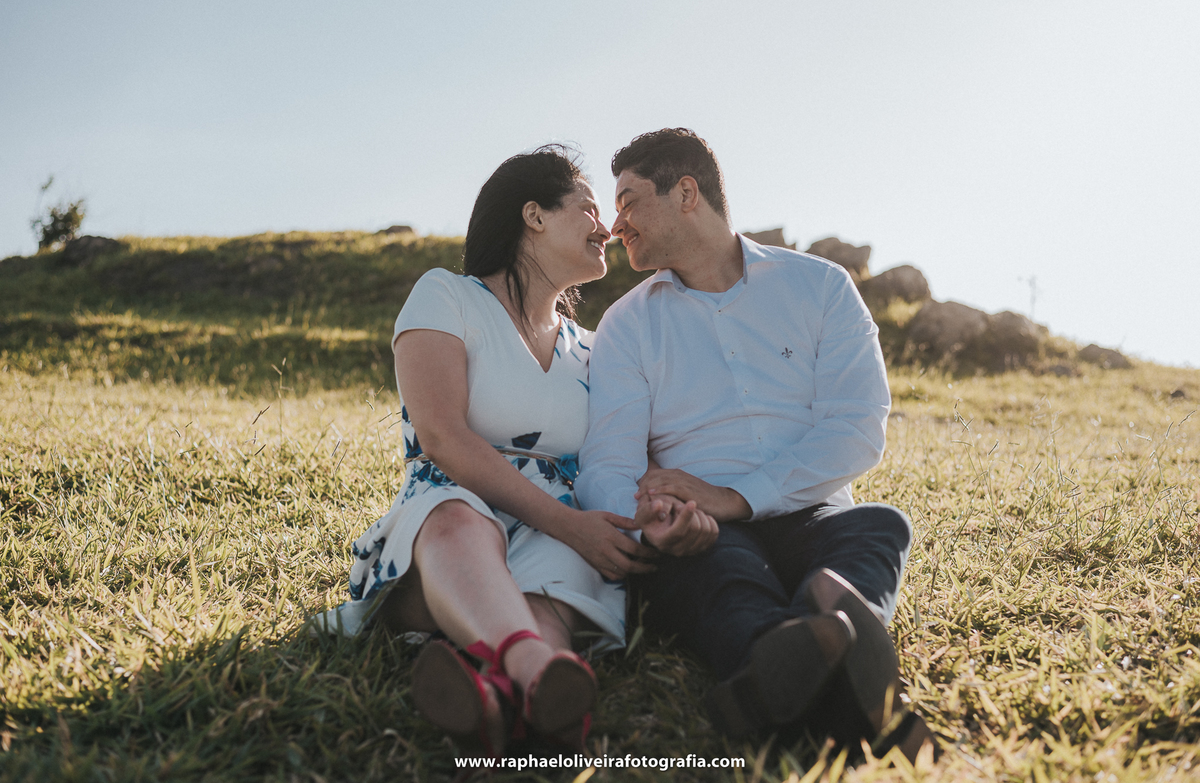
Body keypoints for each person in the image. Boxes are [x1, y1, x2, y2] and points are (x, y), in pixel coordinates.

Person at [575, 128, 936, 760]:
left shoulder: (821, 287)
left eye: (629, 201)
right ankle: (841, 668)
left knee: (879, 525)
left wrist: (734, 497)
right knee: (722, 572)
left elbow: (855, 426)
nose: (614, 224)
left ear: (686, 192)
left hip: (811, 509)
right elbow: (609, 461)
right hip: (704, 533)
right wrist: (654, 522)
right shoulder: (627, 325)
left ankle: (769, 686)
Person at [315, 146, 659, 757]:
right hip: (455, 509)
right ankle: (535, 673)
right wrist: (570, 525)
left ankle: (502, 702)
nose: (605, 227)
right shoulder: (446, 296)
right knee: (455, 517)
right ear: (534, 215)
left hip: (562, 528)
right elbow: (443, 436)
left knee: (550, 591)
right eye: (586, 208)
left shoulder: (598, 347)